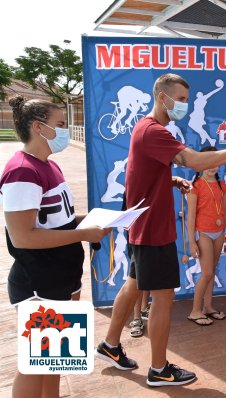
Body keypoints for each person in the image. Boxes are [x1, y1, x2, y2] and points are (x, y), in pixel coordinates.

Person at [95, 73, 226, 387]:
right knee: (163, 298)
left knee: (132, 284)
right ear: (162, 97)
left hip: (140, 225)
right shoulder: (153, 131)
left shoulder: (146, 129)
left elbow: (138, 172)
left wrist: (168, 180)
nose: (186, 105)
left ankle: (110, 345)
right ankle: (159, 369)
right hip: (153, 230)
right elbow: (195, 160)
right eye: (182, 100)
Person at [1, 96, 109, 398]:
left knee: (55, 361)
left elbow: (57, 222)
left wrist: (91, 222)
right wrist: (83, 234)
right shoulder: (21, 171)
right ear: (39, 127)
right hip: (39, 283)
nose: (65, 130)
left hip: (62, 279)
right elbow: (23, 236)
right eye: (60, 125)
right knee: (34, 365)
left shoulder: (49, 166)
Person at [186, 146, 226, 326]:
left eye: (215, 162)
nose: (212, 166)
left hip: (219, 233)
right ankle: (195, 311)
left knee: (211, 272)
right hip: (203, 233)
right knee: (206, 273)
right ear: (201, 164)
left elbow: (225, 212)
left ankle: (208, 307)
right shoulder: (195, 186)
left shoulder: (222, 185)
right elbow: (190, 216)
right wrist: (191, 242)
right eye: (208, 162)